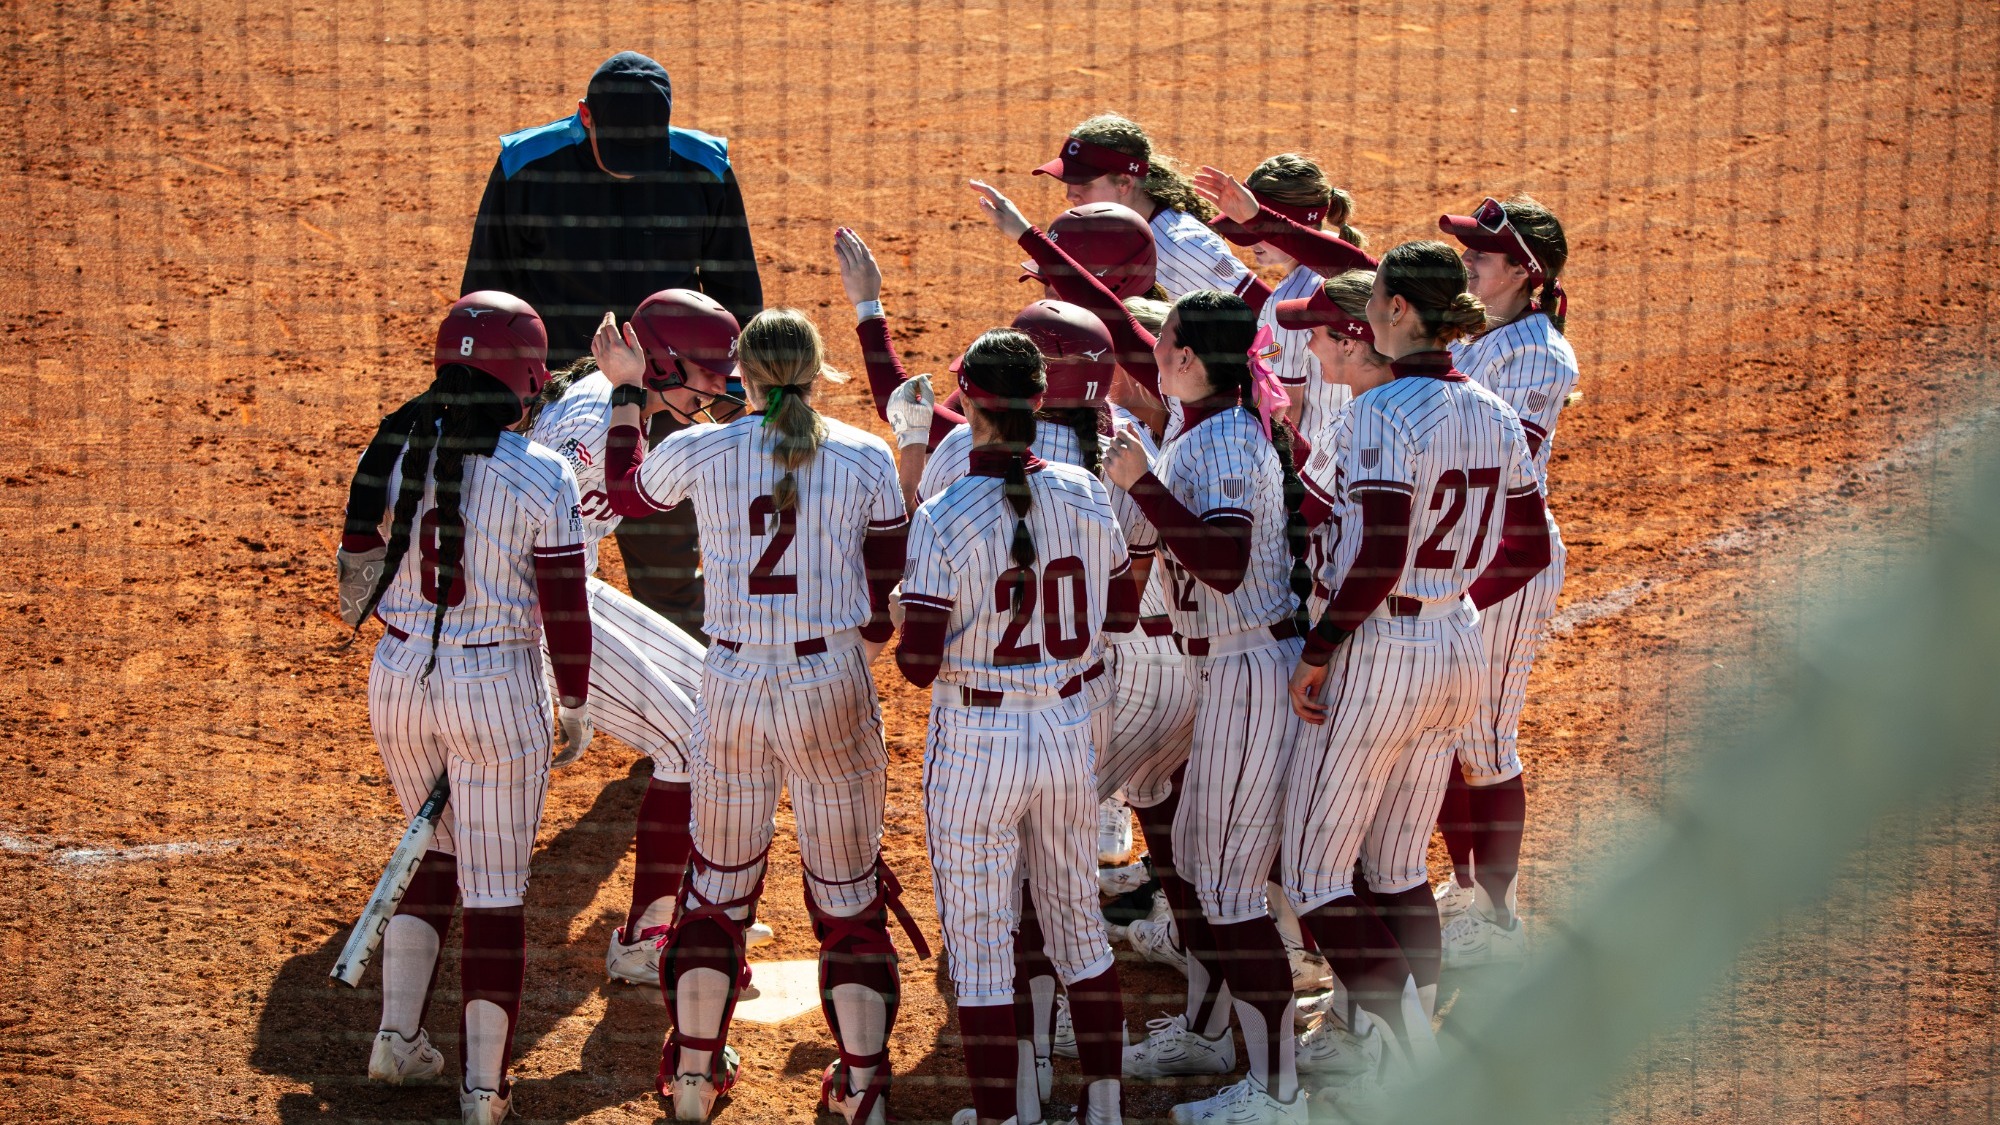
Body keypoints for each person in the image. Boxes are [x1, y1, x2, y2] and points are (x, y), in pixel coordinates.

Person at [599, 307, 917, 1125]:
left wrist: (627, 393)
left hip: (734, 679)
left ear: (741, 372)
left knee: (717, 889)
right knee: (847, 894)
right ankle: (863, 1086)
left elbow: (624, 492)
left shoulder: (701, 448)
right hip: (828, 677)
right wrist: (856, 651)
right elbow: (888, 579)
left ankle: (694, 1075)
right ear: (816, 371)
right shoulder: (864, 453)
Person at [1278, 242, 1553, 1115]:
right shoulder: (1492, 409)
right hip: (1456, 643)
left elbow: (1381, 551)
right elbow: (1528, 547)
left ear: (1395, 310)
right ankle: (1399, 1045)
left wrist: (1321, 646)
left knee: (1317, 875)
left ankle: (1412, 1061)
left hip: (1381, 650)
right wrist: (1450, 599)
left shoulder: (1382, 412)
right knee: (1398, 864)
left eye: (1378, 298)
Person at [333, 293, 593, 1125]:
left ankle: (395, 1038)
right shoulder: (543, 472)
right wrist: (575, 700)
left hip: (399, 677)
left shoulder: (392, 444)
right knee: (496, 891)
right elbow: (567, 608)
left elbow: (354, 567)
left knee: (432, 851)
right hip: (496, 687)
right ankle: (485, 1089)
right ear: (528, 378)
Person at [893, 328, 1141, 1125]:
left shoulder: (943, 513)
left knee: (981, 947)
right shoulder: (1087, 491)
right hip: (1069, 730)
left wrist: (904, 615)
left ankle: (1004, 1117)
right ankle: (1104, 1107)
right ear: (1040, 399)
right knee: (1079, 929)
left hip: (978, 743)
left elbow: (918, 666)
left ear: (968, 404)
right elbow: (1122, 612)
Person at [1098, 288, 1315, 1125]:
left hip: (1250, 670)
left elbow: (1222, 562)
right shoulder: (1208, 425)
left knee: (1229, 889)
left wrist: (1142, 485)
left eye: (1163, 338)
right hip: (1221, 671)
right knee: (1193, 863)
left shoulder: (1223, 440)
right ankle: (1211, 1035)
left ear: (1187, 358)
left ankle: (1277, 1093)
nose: (1153, 348)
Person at [519, 296, 778, 988]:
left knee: (714, 698)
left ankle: (699, 900)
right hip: (528, 604)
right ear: (662, 363)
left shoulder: (629, 403)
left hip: (568, 584)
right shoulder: (592, 418)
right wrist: (560, 675)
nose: (718, 386)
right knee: (687, 742)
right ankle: (644, 938)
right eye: (707, 372)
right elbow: (523, 536)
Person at [461, 50, 763, 639]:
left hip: (668, 402)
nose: (629, 170)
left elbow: (738, 299)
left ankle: (688, 690)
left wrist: (730, 397)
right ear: (584, 116)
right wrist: (489, 411)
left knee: (670, 580)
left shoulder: (704, 168)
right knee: (524, 576)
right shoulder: (527, 166)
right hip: (551, 414)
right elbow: (487, 294)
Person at [1432, 196, 1579, 967]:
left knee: (1484, 738)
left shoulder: (1539, 355)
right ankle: (1466, 889)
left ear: (1524, 271)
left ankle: (1498, 919)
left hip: (1506, 557)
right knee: (1439, 728)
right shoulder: (1477, 332)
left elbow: (1501, 459)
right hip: (1452, 546)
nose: (1466, 264)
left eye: (1481, 256)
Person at [1204, 154, 1366, 441]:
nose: (1250, 241)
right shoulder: (1352, 272)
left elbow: (1285, 412)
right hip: (1354, 441)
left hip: (1312, 455)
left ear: (1289, 226)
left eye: (1257, 227)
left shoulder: (1291, 301)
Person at [1031, 114, 1255, 301]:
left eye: (1085, 183)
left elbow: (1261, 316)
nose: (1070, 195)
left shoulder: (1184, 246)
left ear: (1124, 183)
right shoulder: (1095, 233)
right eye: (1068, 182)